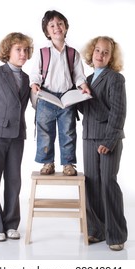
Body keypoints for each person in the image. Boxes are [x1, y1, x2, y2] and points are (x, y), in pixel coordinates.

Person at [0, 32, 33, 242]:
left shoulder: (27, 79)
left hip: (17, 135)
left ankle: (11, 223)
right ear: (8, 51)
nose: (23, 53)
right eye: (18, 49)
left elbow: (22, 108)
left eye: (26, 50)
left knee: (13, 180)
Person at [78, 36, 128, 251]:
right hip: (89, 137)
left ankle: (116, 235)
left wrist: (109, 141)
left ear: (111, 57)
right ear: (92, 53)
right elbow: (89, 110)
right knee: (91, 184)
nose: (100, 55)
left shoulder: (115, 79)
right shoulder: (87, 79)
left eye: (105, 52)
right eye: (97, 50)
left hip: (108, 139)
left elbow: (118, 112)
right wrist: (77, 99)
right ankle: (96, 231)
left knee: (108, 183)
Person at [30, 10, 90, 176]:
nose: (56, 27)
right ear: (47, 32)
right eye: (52, 25)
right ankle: (47, 163)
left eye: (60, 24)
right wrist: (34, 83)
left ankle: (68, 163)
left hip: (66, 99)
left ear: (66, 27)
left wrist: (83, 85)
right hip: (46, 97)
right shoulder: (43, 52)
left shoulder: (73, 54)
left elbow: (78, 76)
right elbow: (35, 73)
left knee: (68, 132)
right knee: (45, 132)